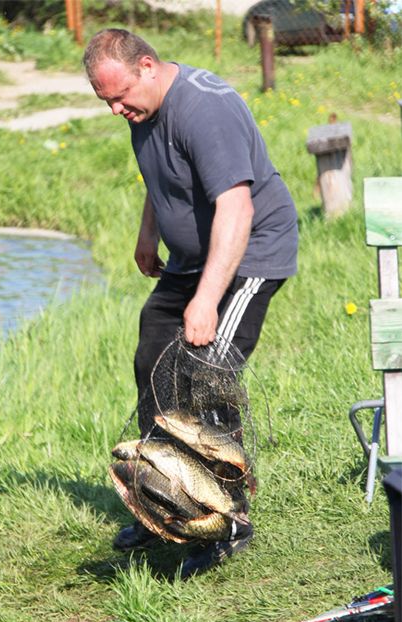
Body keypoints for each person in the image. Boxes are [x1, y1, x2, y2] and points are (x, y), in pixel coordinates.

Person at [83, 29, 298, 578]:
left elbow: (236, 209)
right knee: (153, 358)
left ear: (148, 67)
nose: (115, 109)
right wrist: (147, 234)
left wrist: (205, 301)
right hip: (190, 259)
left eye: (120, 95)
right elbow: (164, 177)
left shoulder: (205, 108)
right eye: (104, 99)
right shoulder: (143, 108)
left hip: (248, 256)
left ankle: (229, 520)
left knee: (205, 377)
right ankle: (164, 502)